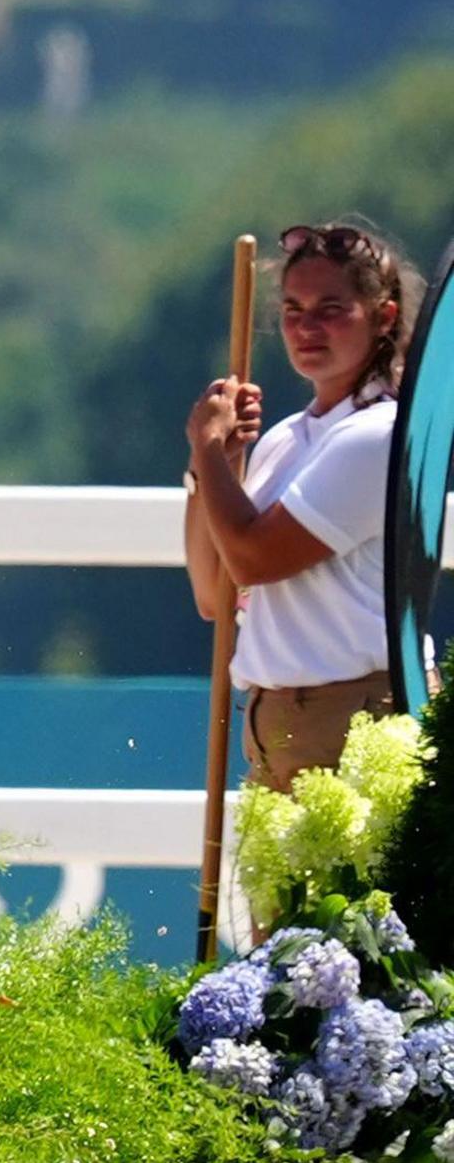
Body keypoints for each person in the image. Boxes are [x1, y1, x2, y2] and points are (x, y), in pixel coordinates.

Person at [184, 220, 420, 790]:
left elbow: (254, 560)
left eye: (330, 308)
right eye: (292, 309)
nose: (306, 327)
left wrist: (209, 447)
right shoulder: (286, 438)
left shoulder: (378, 435)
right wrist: (211, 467)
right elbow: (213, 593)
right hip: (276, 720)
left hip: (354, 718)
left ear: (384, 316)